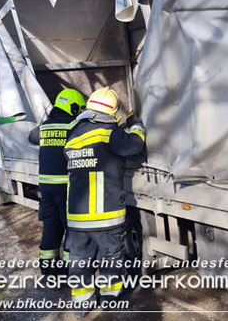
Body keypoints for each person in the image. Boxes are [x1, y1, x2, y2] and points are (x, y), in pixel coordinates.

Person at [64, 86, 145, 313]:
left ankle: (82, 306)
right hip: (105, 217)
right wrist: (135, 124)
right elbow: (135, 145)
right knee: (111, 260)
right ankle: (110, 300)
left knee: (80, 262)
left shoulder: (74, 136)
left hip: (77, 220)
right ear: (111, 112)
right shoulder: (108, 133)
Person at [29, 89, 87, 276]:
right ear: (73, 107)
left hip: (46, 189)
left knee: (51, 226)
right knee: (71, 228)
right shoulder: (73, 125)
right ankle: (69, 270)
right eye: (79, 108)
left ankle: (48, 269)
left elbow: (31, 137)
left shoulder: (44, 127)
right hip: (67, 188)